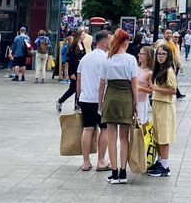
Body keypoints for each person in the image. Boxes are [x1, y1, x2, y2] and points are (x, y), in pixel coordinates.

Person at [98, 29, 138, 185]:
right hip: (126, 98)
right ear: (126, 42)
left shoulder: (108, 60)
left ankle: (114, 173)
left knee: (112, 137)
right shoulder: (130, 60)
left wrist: (100, 103)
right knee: (124, 138)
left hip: (111, 98)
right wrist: (135, 104)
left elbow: (101, 85)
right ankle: (123, 172)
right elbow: (134, 84)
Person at [76, 29, 111, 172]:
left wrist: (78, 98)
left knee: (87, 129)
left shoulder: (85, 58)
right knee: (104, 129)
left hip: (85, 99)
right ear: (104, 42)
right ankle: (101, 161)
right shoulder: (106, 58)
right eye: (110, 40)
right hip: (100, 99)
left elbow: (79, 80)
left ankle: (85, 162)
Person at [147, 45, 177, 177]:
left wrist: (155, 88)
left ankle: (165, 165)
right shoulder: (159, 69)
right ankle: (160, 161)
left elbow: (173, 90)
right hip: (157, 103)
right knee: (158, 135)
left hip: (165, 105)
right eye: (159, 53)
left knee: (164, 136)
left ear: (168, 55)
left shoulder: (169, 70)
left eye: (163, 54)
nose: (160, 56)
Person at [56, 27, 86, 113]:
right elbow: (70, 61)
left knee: (79, 88)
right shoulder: (73, 46)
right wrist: (71, 73)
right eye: (83, 35)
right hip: (74, 71)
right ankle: (60, 101)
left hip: (81, 71)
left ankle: (77, 105)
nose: (84, 36)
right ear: (79, 35)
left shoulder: (82, 45)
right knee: (73, 89)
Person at [157, 29, 185, 99]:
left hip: (170, 65)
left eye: (170, 33)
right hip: (163, 66)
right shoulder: (161, 43)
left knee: (171, 80)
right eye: (167, 33)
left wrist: (179, 65)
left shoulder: (171, 43)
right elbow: (158, 55)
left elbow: (174, 55)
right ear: (164, 34)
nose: (169, 34)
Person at [137, 45, 155, 124]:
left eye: (142, 54)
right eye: (139, 53)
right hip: (131, 101)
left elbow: (152, 90)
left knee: (139, 126)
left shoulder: (150, 72)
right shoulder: (135, 67)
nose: (140, 55)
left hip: (141, 102)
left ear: (148, 56)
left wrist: (140, 88)